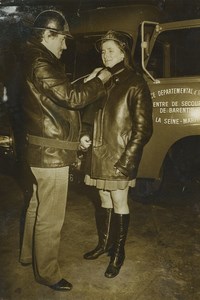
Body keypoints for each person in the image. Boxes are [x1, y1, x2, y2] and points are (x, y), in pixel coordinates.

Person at [19, 10, 111, 291]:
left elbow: (59, 96)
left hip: (41, 151)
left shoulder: (35, 59)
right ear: (48, 35)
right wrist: (101, 80)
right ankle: (47, 273)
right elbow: (71, 99)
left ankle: (27, 255)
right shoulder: (41, 62)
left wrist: (88, 80)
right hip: (51, 154)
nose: (66, 45)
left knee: (36, 206)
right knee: (51, 215)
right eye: (62, 39)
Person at [80, 30, 153, 278]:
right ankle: (104, 245)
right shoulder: (102, 79)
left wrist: (127, 162)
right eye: (103, 51)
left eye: (111, 50)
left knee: (119, 202)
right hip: (98, 154)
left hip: (119, 156)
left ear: (124, 52)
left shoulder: (135, 82)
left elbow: (143, 129)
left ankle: (118, 253)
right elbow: (89, 115)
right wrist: (84, 133)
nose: (106, 55)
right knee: (103, 200)